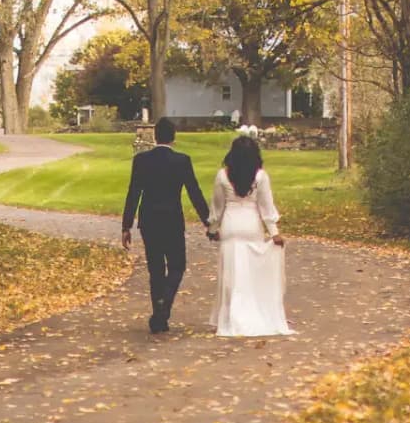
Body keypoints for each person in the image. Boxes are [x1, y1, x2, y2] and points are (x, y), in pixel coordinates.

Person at [121, 118, 211, 333]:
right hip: (172, 219)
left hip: (149, 220)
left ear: (155, 136)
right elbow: (194, 193)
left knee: (156, 269)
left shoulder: (141, 160)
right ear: (174, 137)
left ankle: (159, 316)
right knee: (177, 265)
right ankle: (164, 304)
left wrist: (126, 226)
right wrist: (208, 221)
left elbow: (134, 193)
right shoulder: (182, 161)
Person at [207, 135, 293, 337]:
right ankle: (250, 311)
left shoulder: (222, 175)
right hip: (251, 224)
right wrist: (274, 233)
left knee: (230, 274)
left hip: (231, 225)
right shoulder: (260, 176)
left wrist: (212, 229)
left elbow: (218, 206)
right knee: (249, 272)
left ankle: (230, 316)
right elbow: (266, 207)